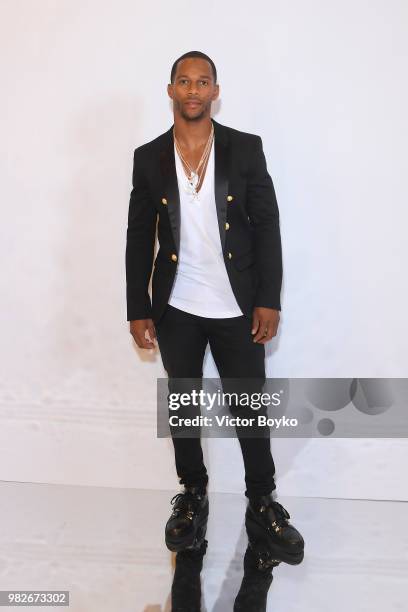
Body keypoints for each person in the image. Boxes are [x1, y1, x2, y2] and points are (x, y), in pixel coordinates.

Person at [125, 51, 304, 568]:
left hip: (237, 306)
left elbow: (267, 225)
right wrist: (138, 305)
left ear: (215, 90)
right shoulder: (149, 156)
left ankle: (262, 501)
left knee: (249, 406)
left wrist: (269, 298)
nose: (194, 90)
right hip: (176, 305)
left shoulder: (246, 149)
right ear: (171, 90)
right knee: (183, 405)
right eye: (185, 81)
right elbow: (140, 235)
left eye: (203, 82)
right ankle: (193, 496)